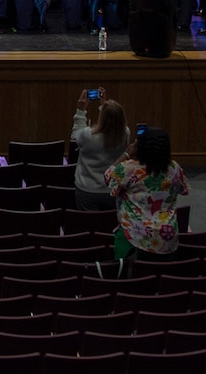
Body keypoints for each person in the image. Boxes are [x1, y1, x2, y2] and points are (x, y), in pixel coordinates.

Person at [107, 126, 189, 271]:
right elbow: (184, 189)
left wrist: (127, 153)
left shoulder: (129, 168)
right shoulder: (174, 168)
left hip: (134, 236)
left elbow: (108, 175)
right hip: (166, 238)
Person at [72, 90, 130, 211]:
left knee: (89, 226)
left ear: (102, 116)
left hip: (87, 191)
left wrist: (81, 110)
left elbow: (75, 135)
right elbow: (111, 124)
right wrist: (104, 107)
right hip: (113, 190)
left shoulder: (87, 135)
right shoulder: (125, 134)